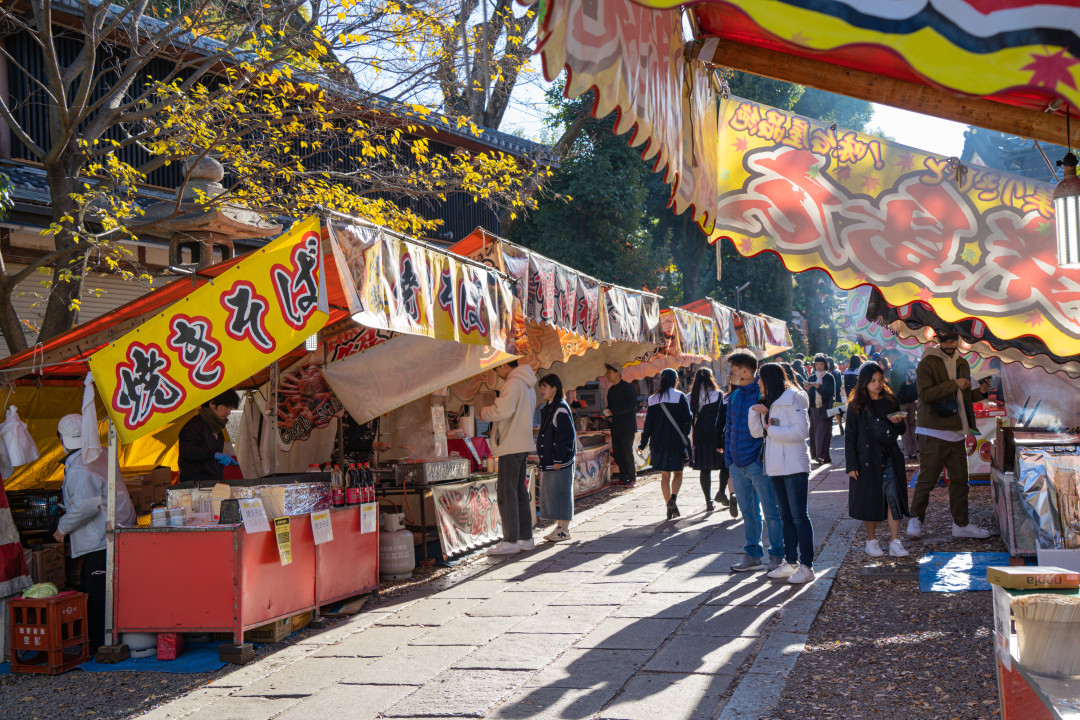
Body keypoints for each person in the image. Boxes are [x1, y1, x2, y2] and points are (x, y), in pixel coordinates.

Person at [54, 414, 137, 654]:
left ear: (62, 439)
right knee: (111, 589)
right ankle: (111, 638)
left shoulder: (79, 466)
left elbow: (87, 505)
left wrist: (63, 527)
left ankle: (101, 644)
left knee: (98, 592)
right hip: (116, 528)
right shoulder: (101, 453)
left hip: (101, 537)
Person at [907, 331, 992, 540]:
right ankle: (915, 518)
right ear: (938, 340)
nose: (950, 343)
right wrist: (954, 383)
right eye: (945, 339)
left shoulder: (962, 363)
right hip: (932, 430)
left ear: (959, 340)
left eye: (953, 339)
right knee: (927, 479)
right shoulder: (927, 361)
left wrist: (980, 392)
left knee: (961, 481)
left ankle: (961, 523)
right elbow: (925, 394)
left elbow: (962, 397)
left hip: (957, 430)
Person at [749, 363, 815, 584]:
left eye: (760, 378)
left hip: (794, 465)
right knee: (786, 517)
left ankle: (807, 566)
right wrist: (754, 412)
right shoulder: (770, 401)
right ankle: (791, 561)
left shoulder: (794, 398)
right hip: (775, 465)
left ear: (769, 379)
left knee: (799, 517)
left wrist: (772, 429)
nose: (757, 382)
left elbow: (802, 431)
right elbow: (757, 433)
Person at [725, 350, 785, 572]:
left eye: (732, 368)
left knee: (771, 511)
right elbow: (728, 428)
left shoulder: (763, 393)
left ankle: (778, 555)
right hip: (737, 463)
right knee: (748, 513)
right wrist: (729, 461)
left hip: (758, 463)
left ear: (744, 371)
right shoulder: (733, 396)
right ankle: (752, 554)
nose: (729, 373)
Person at [845, 362, 911, 558]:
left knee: (894, 498)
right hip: (866, 458)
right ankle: (871, 541)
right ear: (864, 383)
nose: (877, 384)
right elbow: (850, 437)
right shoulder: (856, 406)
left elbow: (901, 430)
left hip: (889, 454)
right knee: (870, 499)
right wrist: (851, 465)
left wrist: (898, 424)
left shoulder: (891, 400)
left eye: (880, 379)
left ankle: (895, 541)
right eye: (872, 380)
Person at [481, 359, 539, 555]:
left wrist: (484, 412)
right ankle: (525, 538)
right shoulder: (527, 383)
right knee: (519, 492)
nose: (498, 373)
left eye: (497, 368)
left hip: (510, 444)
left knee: (507, 493)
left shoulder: (513, 383)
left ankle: (510, 540)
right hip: (522, 443)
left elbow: (502, 411)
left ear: (505, 365)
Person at [638, 368, 692, 520]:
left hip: (658, 443)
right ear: (675, 380)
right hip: (676, 442)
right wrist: (685, 436)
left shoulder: (653, 399)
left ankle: (668, 504)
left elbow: (648, 425)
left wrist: (642, 444)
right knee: (678, 473)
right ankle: (673, 498)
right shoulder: (680, 396)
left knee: (665, 476)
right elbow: (687, 419)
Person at [536, 374, 576, 543]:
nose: (542, 390)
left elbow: (565, 436)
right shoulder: (551, 406)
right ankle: (560, 527)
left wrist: (559, 458)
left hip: (560, 460)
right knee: (556, 493)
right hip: (553, 459)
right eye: (541, 387)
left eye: (545, 386)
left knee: (562, 492)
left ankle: (564, 529)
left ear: (554, 388)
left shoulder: (560, 407)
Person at [178, 389, 240, 483]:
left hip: (213, 486)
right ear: (212, 404)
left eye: (231, 408)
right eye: (226, 407)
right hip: (194, 486)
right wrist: (214, 455)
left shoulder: (218, 431)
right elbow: (187, 451)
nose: (229, 412)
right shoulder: (194, 426)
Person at [689, 368, 725, 512]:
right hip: (716, 435)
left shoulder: (690, 396)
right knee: (724, 465)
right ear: (712, 378)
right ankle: (721, 491)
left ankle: (708, 500)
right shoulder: (719, 395)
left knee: (704, 469)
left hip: (699, 437)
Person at [603, 364, 639, 487]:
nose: (607, 375)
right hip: (616, 426)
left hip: (627, 426)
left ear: (618, 372)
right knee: (617, 453)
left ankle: (632, 477)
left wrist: (614, 412)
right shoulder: (611, 390)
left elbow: (633, 405)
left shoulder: (628, 388)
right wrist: (607, 413)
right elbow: (611, 408)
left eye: (610, 372)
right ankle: (623, 477)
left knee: (626, 452)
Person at [803, 354, 836, 464]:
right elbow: (810, 396)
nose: (819, 366)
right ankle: (823, 456)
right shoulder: (811, 377)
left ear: (825, 365)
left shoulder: (829, 377)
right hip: (813, 408)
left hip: (825, 408)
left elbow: (830, 394)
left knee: (822, 433)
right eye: (817, 364)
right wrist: (808, 389)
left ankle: (820, 456)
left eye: (821, 364)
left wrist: (819, 388)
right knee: (814, 432)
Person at [889, 355, 920, 458]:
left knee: (904, 428)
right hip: (912, 401)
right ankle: (917, 447)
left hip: (900, 403)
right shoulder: (912, 367)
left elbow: (894, 388)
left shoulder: (895, 370)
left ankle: (909, 452)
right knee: (912, 424)